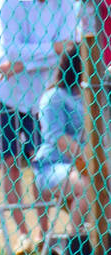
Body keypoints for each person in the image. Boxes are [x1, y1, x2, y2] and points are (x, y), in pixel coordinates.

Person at [0, 0, 79, 243]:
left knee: (41, 163)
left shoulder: (67, 3)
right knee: (10, 164)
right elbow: (12, 50)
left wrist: (26, 62)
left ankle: (44, 232)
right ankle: (24, 235)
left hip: (41, 97)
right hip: (2, 91)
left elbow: (67, 48)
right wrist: (48, 50)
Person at [34, 42, 90, 243]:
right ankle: (75, 243)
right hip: (52, 166)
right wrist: (90, 164)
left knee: (101, 183)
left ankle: (101, 240)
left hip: (84, 166)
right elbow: (60, 140)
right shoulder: (54, 97)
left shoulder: (88, 95)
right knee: (88, 186)